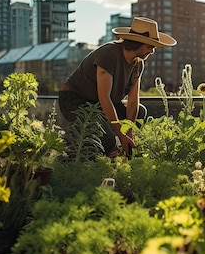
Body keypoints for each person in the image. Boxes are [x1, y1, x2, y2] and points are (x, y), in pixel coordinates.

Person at [58, 17, 177, 157]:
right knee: (107, 138)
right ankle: (75, 151)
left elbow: (133, 102)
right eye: (150, 46)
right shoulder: (109, 55)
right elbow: (104, 97)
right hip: (75, 100)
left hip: (99, 104)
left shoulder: (138, 64)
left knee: (140, 113)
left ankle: (120, 153)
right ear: (138, 43)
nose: (152, 51)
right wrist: (121, 134)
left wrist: (129, 131)